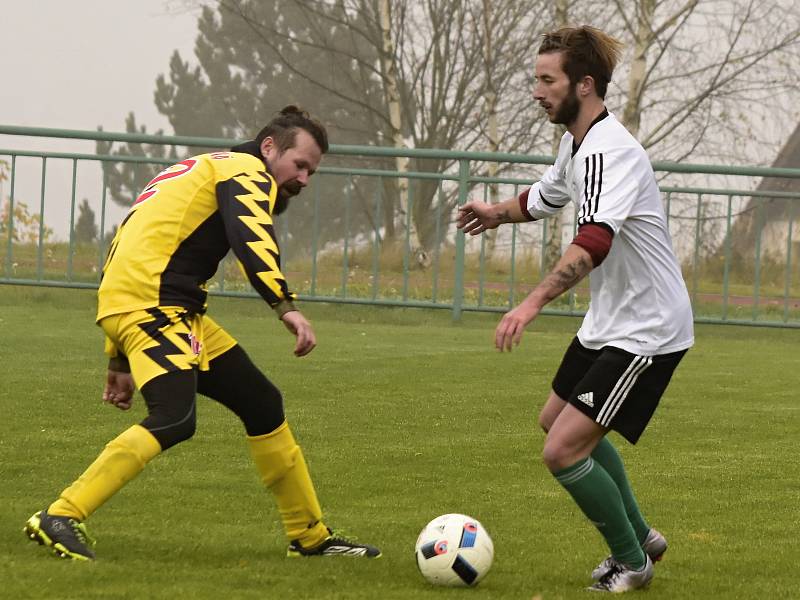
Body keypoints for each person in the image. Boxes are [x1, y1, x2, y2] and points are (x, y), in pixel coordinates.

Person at [24, 105, 380, 561]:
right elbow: (250, 234)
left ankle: (309, 537)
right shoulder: (246, 171)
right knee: (174, 417)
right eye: (301, 165)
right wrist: (284, 306)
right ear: (269, 147)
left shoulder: (201, 168)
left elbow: (127, 246)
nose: (305, 179)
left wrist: (117, 355)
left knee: (262, 402)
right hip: (156, 308)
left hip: (160, 308)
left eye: (312, 171)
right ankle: (61, 514)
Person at [457, 27, 693, 593]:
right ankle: (644, 536)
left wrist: (532, 302)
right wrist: (496, 212)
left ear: (583, 85)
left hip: (648, 329)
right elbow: (545, 196)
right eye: (535, 79)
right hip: (611, 320)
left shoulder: (614, 153)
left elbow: (594, 242)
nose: (536, 91)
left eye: (547, 80)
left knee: (561, 449)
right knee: (554, 422)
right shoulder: (576, 142)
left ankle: (632, 562)